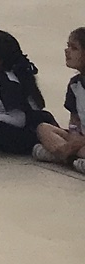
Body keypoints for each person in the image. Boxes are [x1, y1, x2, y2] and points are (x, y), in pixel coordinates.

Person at [31, 27, 85, 173]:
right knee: (43, 128)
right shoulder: (75, 84)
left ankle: (62, 156)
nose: (67, 51)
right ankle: (70, 158)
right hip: (80, 138)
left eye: (74, 48)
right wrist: (74, 136)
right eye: (68, 46)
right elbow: (74, 120)